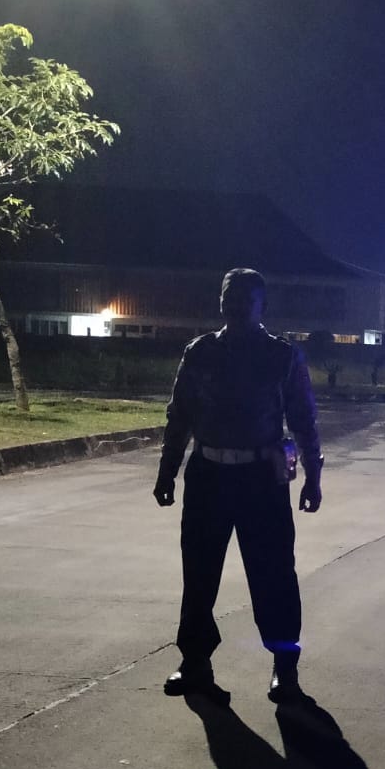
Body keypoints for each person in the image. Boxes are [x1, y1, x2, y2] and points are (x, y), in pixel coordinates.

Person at [153, 268, 323, 705]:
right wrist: (167, 471)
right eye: (229, 298)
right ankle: (195, 662)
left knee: (274, 577)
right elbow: (180, 415)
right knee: (199, 574)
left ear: (262, 306)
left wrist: (313, 478)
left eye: (246, 299)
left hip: (260, 481)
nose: (236, 306)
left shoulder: (282, 356)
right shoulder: (200, 352)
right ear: (220, 302)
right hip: (208, 476)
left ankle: (285, 669)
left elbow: (303, 420)